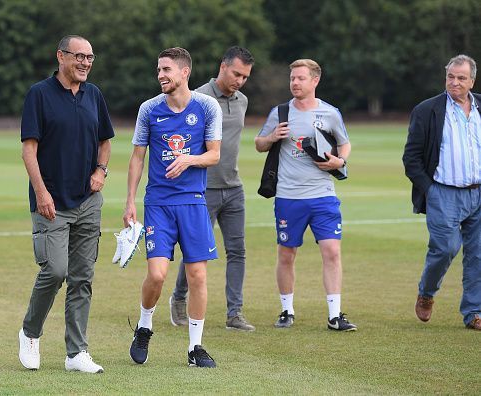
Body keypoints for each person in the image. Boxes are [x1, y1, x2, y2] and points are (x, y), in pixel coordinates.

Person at [18, 35, 115, 373]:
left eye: (90, 57)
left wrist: (101, 172)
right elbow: (29, 149)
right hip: (51, 203)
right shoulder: (39, 94)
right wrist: (41, 192)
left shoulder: (94, 95)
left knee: (82, 277)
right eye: (79, 56)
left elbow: (105, 141)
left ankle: (76, 353)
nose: (86, 62)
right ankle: (30, 333)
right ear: (61, 56)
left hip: (89, 201)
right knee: (56, 270)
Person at [123, 47, 222, 368]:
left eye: (166, 69)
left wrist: (189, 160)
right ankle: (144, 325)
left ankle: (195, 348)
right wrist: (129, 202)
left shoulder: (207, 107)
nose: (161, 75)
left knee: (197, 276)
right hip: (159, 204)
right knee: (157, 273)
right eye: (158, 70)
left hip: (193, 202)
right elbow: (138, 157)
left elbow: (214, 155)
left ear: (184, 73)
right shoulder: (149, 110)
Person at [254, 59, 357, 331]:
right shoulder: (280, 112)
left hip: (323, 195)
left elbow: (344, 144)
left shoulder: (330, 113)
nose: (295, 83)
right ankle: (287, 310)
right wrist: (273, 135)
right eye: (292, 78)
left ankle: (335, 315)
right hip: (288, 197)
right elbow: (259, 144)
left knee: (332, 251)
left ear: (315, 81)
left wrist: (339, 162)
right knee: (287, 253)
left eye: (300, 78)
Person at [169, 46, 255, 331]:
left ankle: (235, 313)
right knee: (195, 252)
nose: (240, 80)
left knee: (237, 251)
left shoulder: (242, 101)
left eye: (245, 76)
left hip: (234, 187)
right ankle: (178, 299)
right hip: (202, 189)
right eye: (236, 73)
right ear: (223, 66)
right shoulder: (199, 98)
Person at [403, 54, 481, 331]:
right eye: (451, 76)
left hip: (478, 193)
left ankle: (474, 312)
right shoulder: (428, 109)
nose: (455, 82)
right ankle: (427, 293)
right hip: (444, 193)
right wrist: (430, 190)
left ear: (472, 80)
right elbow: (411, 157)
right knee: (446, 248)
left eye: (461, 78)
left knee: (478, 254)